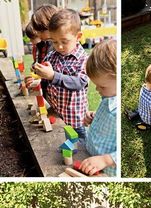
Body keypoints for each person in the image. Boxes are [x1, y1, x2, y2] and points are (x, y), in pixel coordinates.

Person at [33, 9, 88, 138]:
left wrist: (53, 76)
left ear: (78, 37)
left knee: (80, 148)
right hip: (56, 114)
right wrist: (37, 74)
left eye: (64, 41)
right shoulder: (52, 55)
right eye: (54, 42)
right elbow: (43, 75)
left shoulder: (83, 59)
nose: (59, 47)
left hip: (75, 120)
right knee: (62, 147)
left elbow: (79, 83)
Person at [79, 39, 117, 176]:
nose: (97, 89)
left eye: (102, 86)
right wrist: (95, 117)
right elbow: (109, 121)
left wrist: (106, 160)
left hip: (106, 170)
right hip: (91, 159)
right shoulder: (108, 97)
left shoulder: (119, 109)